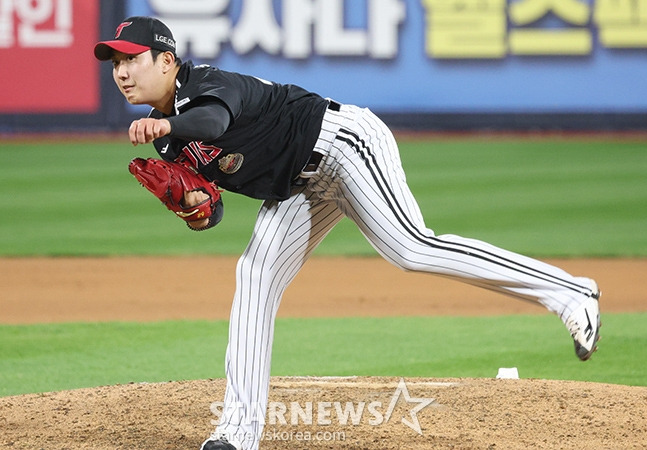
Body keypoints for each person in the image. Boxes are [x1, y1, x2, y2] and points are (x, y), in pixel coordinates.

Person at [94, 16, 601, 450]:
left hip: (344, 144)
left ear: (166, 61)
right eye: (114, 63)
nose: (120, 72)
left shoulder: (205, 83)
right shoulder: (168, 140)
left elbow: (212, 119)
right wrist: (198, 207)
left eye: (130, 59)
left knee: (411, 248)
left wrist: (169, 128)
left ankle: (571, 294)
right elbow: (214, 207)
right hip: (297, 188)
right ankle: (237, 434)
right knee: (254, 274)